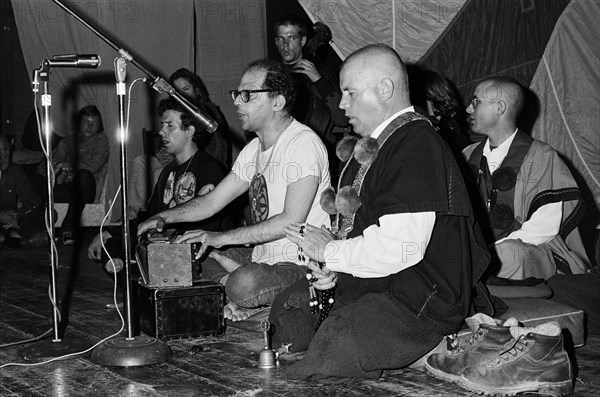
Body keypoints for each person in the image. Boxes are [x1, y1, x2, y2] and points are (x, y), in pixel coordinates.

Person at [267, 44, 492, 382]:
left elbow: (403, 247)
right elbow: (354, 235)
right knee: (287, 315)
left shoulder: (417, 143)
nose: (341, 104)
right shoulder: (373, 147)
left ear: (384, 90)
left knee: (337, 345)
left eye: (349, 92)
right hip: (372, 286)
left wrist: (328, 250)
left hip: (418, 297)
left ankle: (436, 347)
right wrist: (327, 270)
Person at [138, 59, 331, 322]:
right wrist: (164, 217)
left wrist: (220, 239)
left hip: (298, 264)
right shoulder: (254, 149)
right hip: (260, 257)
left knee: (245, 284)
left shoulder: (303, 144)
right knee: (191, 254)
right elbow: (213, 200)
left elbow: (291, 220)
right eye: (237, 94)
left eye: (248, 94)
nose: (237, 102)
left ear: (278, 102)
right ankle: (245, 295)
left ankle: (244, 294)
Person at [463, 76, 589, 280]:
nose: (469, 109)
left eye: (476, 102)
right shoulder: (466, 156)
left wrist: (488, 251)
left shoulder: (543, 157)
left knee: (512, 255)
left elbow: (543, 229)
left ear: (500, 108)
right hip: (475, 250)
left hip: (529, 250)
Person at [88, 98, 234, 274]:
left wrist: (164, 239)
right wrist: (111, 233)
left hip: (196, 252)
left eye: (169, 126)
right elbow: (150, 218)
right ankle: (132, 286)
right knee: (108, 243)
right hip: (165, 246)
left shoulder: (209, 169)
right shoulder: (167, 172)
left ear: (189, 130)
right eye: (162, 125)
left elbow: (208, 227)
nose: (161, 131)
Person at [125, 69, 235, 221]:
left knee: (160, 175)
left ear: (196, 90)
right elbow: (165, 151)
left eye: (186, 89)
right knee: (141, 162)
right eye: (177, 91)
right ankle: (132, 213)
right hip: (172, 161)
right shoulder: (172, 112)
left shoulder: (205, 113)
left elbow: (218, 151)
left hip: (195, 163)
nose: (181, 95)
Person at [274, 14, 349, 181]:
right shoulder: (272, 75)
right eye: (281, 38)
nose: (285, 44)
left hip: (317, 157)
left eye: (292, 38)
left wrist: (318, 80)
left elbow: (342, 119)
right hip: (279, 158)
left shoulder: (322, 73)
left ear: (303, 41)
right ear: (276, 42)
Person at [35, 105, 109, 245]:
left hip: (86, 188)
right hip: (66, 188)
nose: (90, 126)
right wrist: (52, 168)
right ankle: (36, 230)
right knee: (32, 180)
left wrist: (66, 166)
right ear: (79, 123)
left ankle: (67, 229)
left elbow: (93, 166)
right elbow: (45, 165)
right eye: (86, 122)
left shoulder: (101, 141)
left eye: (94, 123)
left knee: (83, 176)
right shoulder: (67, 141)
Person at [0, 134, 47, 248]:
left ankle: (10, 237)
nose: (3, 155)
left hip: (12, 221)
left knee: (49, 214)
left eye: (5, 150)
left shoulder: (15, 171)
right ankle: (20, 240)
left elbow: (34, 201)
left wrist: (18, 215)